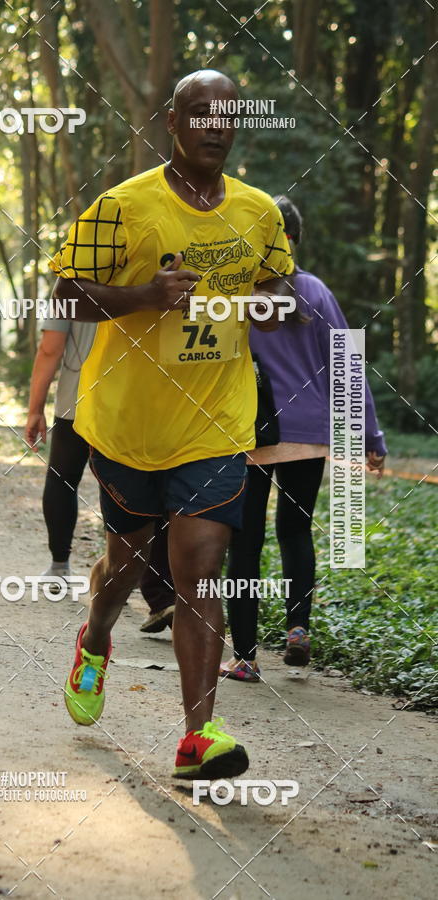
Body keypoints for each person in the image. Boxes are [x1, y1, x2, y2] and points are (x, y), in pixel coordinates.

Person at [49, 69, 295, 780]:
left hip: (216, 422)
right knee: (124, 571)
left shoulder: (258, 213)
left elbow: (278, 284)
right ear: (172, 123)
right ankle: (95, 640)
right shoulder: (123, 206)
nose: (215, 126)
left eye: (227, 115)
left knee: (199, 570)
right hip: (129, 425)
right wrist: (144, 296)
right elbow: (65, 296)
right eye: (200, 113)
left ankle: (198, 739)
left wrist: (266, 306)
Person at [220, 195, 387, 682]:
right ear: (296, 239)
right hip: (309, 437)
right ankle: (297, 628)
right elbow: (349, 367)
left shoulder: (238, 291)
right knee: (295, 532)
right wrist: (370, 436)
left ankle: (247, 658)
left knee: (244, 544)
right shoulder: (315, 291)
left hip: (251, 433)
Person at [25, 315, 96, 580]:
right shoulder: (149, 273)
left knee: (63, 479)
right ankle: (123, 571)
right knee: (126, 483)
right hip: (135, 401)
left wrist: (35, 409)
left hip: (77, 398)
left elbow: (50, 348)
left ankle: (59, 567)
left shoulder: (70, 276)